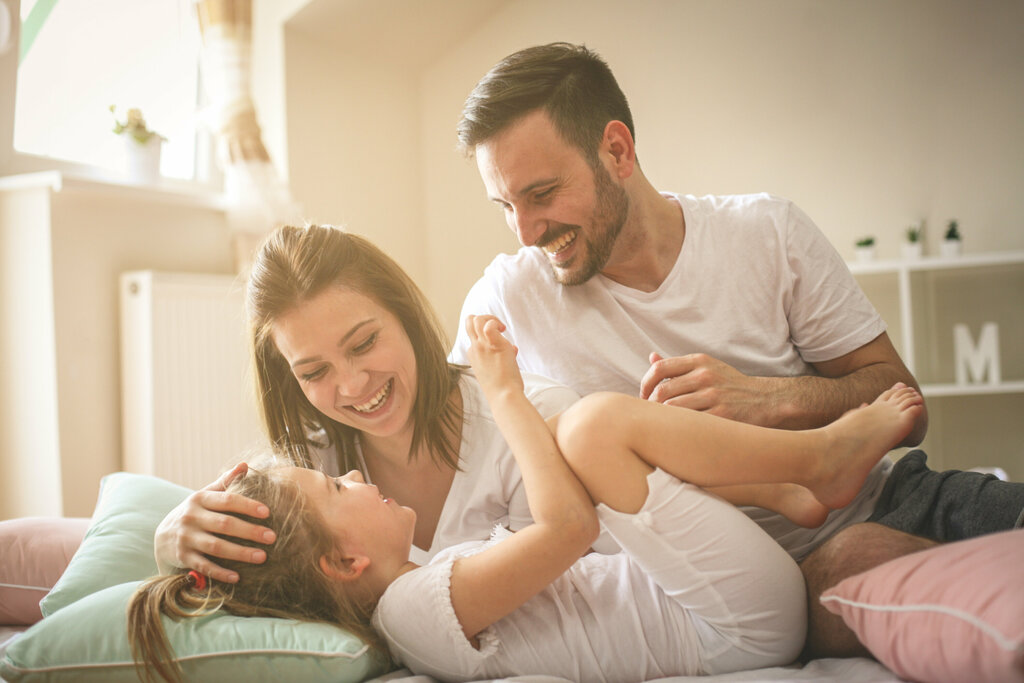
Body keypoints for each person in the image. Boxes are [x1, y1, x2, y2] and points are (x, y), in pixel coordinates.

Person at [447, 42, 1024, 658]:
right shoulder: (505, 303)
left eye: (541, 194)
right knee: (861, 567)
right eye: (505, 205)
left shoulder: (765, 233)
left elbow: (904, 405)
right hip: (751, 591)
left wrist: (769, 399)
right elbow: (466, 473)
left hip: (894, 498)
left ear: (617, 150)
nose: (526, 231)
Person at [129, 314, 925, 682]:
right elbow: (570, 528)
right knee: (592, 429)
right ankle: (815, 463)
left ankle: (782, 480)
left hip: (716, 600)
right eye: (340, 488)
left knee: (589, 438)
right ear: (344, 557)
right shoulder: (410, 610)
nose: (355, 476)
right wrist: (505, 394)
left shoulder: (416, 587)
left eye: (365, 342)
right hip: (733, 622)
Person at [153, 223, 581, 580]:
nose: (353, 384)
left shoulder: (537, 419)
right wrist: (167, 543)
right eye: (315, 372)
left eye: (364, 343)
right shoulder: (307, 471)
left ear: (404, 316)